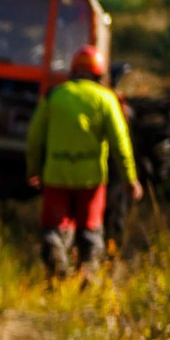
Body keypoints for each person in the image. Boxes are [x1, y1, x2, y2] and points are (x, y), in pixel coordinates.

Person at [26, 46, 142, 279]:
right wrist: (130, 179)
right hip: (91, 180)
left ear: (73, 70)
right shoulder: (106, 99)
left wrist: (34, 170)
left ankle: (57, 265)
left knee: (55, 227)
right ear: (99, 73)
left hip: (56, 175)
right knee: (90, 229)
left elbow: (34, 139)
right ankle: (88, 271)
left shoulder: (54, 96)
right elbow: (121, 144)